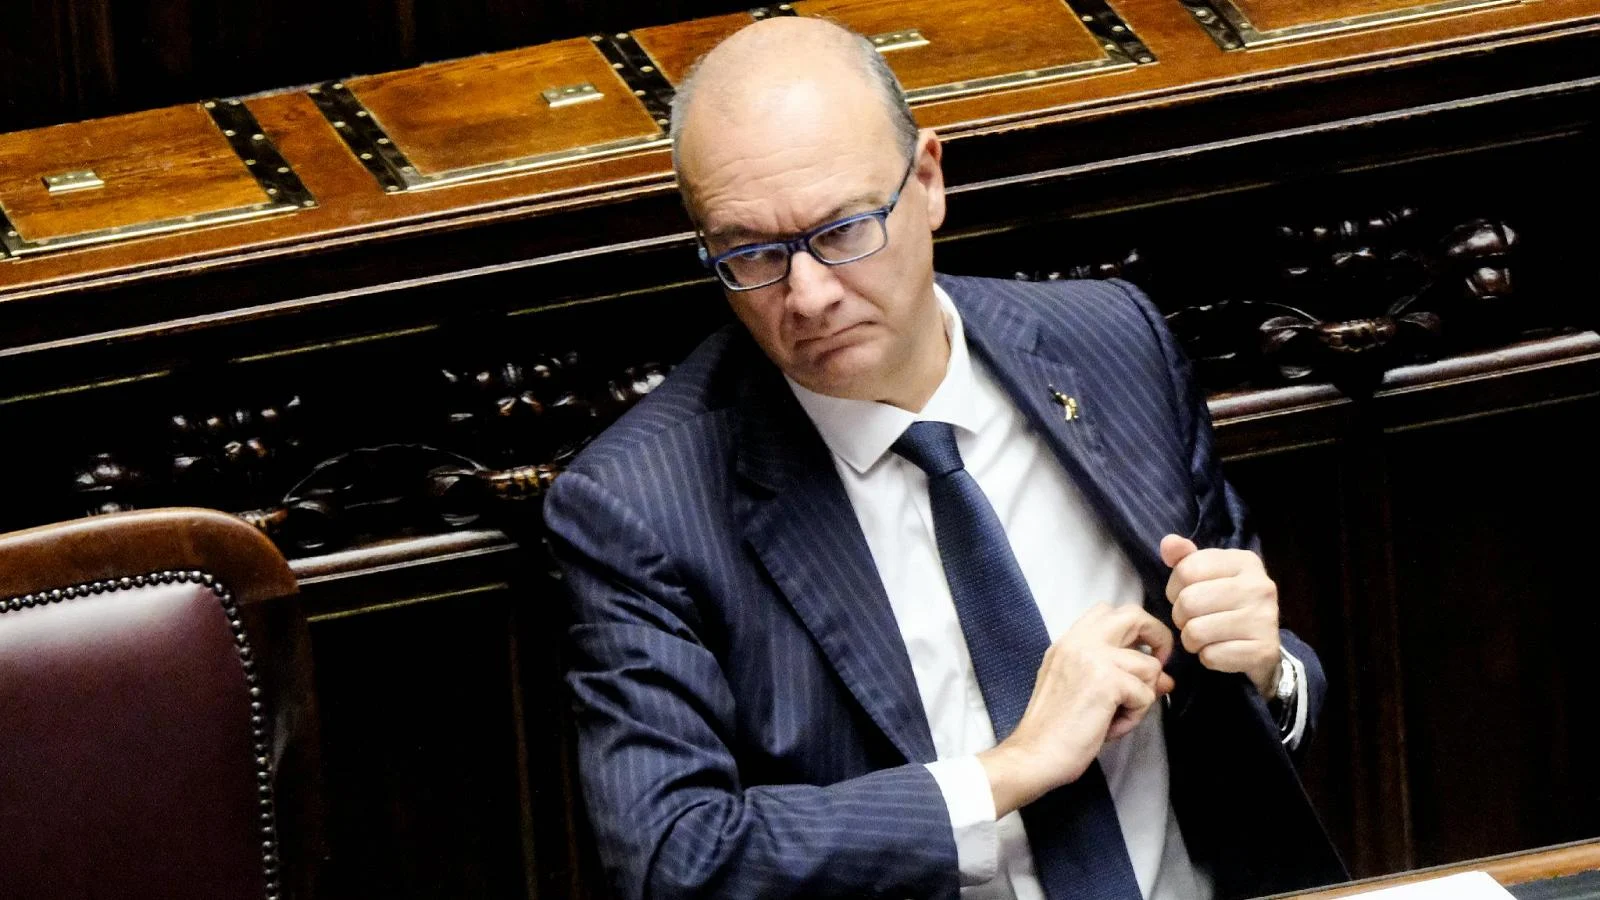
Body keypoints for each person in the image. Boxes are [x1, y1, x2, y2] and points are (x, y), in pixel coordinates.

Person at [542, 16, 1346, 900]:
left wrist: (1267, 672)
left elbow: (1253, 686)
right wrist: (1012, 768)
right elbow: (676, 859)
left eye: (843, 230)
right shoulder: (640, 505)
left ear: (926, 181)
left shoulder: (1114, 344)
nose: (807, 295)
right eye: (751, 253)